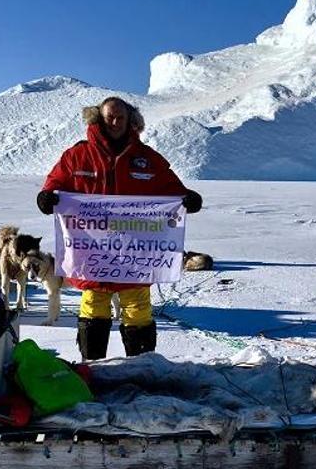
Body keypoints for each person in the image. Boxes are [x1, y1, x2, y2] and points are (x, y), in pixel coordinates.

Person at [36, 97, 202, 360]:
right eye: (109, 117)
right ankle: (94, 367)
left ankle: (142, 369)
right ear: (98, 119)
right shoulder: (76, 156)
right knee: (93, 308)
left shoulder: (147, 159)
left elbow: (170, 188)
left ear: (130, 120)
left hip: (135, 256)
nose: (114, 122)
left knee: (138, 310)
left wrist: (187, 198)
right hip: (93, 254)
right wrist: (47, 197)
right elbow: (55, 183)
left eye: (120, 118)